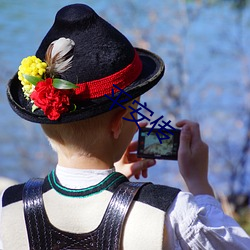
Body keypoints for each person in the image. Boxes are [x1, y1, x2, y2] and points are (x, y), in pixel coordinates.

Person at [1, 3, 249, 249]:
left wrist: (118, 187)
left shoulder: (10, 208)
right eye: (137, 108)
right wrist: (199, 185)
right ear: (118, 124)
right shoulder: (171, 213)